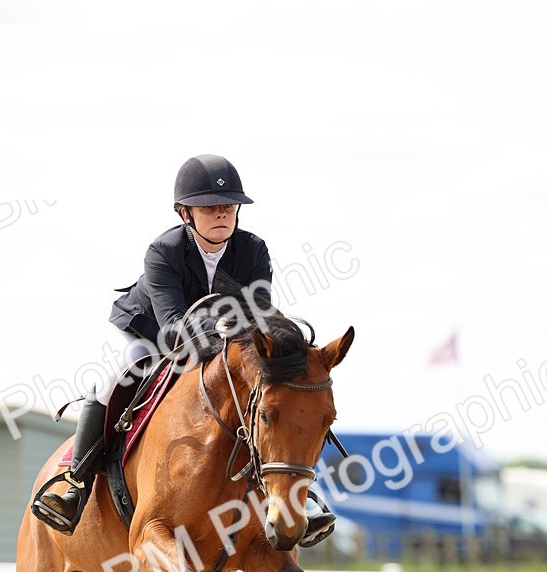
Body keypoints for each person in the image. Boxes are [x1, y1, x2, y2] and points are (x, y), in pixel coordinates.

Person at [32, 154, 336, 544]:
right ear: (185, 213)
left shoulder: (253, 251)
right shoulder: (164, 251)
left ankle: (298, 495)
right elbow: (174, 326)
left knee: (278, 396)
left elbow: (258, 315)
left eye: (228, 206)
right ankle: (75, 483)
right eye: (209, 207)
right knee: (111, 381)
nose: (221, 214)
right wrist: (227, 328)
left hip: (224, 341)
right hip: (153, 333)